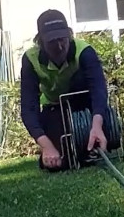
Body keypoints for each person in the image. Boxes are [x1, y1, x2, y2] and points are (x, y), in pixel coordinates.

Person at [20, 9, 110, 171]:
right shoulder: (30, 59)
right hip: (55, 107)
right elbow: (28, 107)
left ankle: (93, 139)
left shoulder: (84, 51)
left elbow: (99, 90)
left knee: (89, 150)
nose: (60, 46)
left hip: (84, 105)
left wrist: (97, 126)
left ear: (69, 35)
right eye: (52, 42)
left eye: (62, 39)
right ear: (41, 42)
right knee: (58, 163)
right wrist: (46, 146)